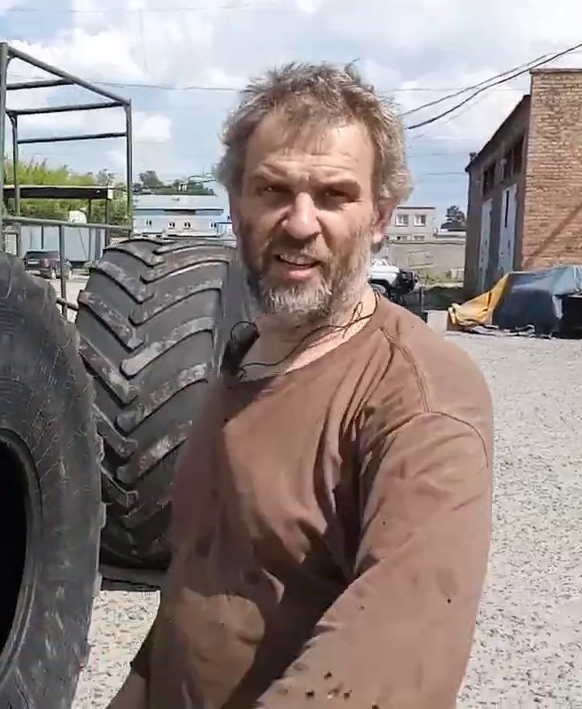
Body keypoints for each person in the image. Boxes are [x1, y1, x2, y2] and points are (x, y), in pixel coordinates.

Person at [106, 62, 495, 709]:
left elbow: (391, 654)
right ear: (236, 206)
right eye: (272, 190)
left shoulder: (420, 395)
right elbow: (201, 579)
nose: (300, 222)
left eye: (335, 195)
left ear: (380, 217)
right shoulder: (246, 359)